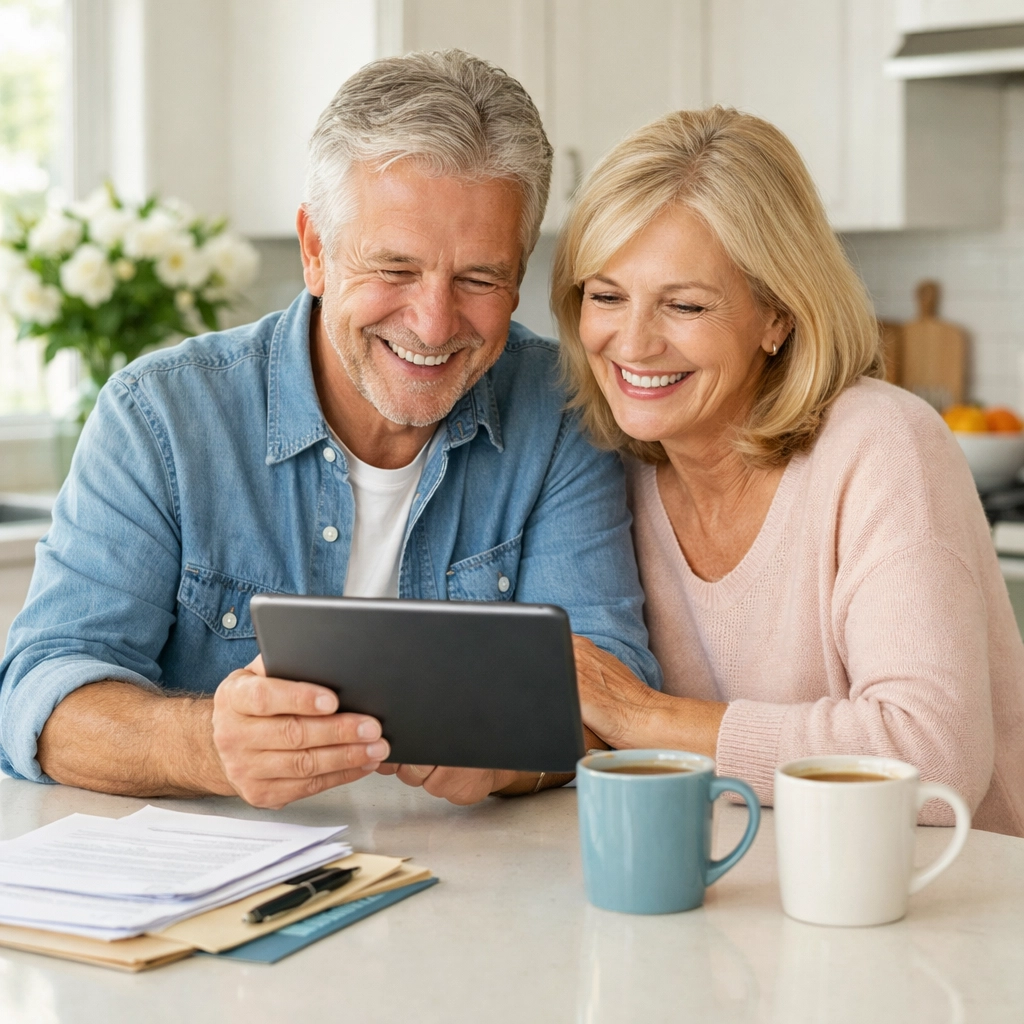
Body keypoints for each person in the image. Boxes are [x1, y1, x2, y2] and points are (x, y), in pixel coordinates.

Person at [0, 50, 659, 809]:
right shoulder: (160, 417)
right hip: (223, 867)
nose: (433, 324)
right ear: (315, 251)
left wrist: (510, 762)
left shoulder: (562, 412)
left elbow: (612, 698)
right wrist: (208, 745)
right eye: (395, 269)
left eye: (479, 278)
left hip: (476, 866)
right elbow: (41, 695)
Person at [552, 106, 1024, 836]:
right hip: (749, 878)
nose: (633, 343)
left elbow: (932, 760)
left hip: (944, 889)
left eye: (685, 304)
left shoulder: (883, 445)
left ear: (777, 315)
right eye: (606, 296)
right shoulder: (605, 472)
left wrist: (640, 715)